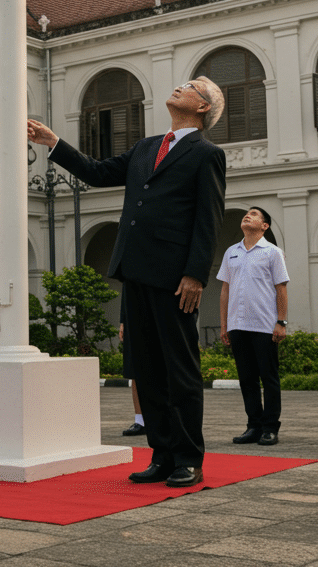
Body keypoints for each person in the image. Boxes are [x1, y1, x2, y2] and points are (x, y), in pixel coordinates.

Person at [27, 77, 226, 488]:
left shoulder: (206, 154)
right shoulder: (147, 146)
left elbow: (208, 218)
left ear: (203, 107)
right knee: (146, 370)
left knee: (179, 370)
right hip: (134, 269)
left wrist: (194, 274)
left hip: (174, 278)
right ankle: (162, 454)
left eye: (189, 86)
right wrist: (54, 143)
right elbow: (98, 173)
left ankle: (188, 458)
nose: (178, 87)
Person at [218, 207, 289, 446]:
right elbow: (225, 289)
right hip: (238, 325)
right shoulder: (231, 252)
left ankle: (270, 427)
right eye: (246, 213)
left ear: (265, 226)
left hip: (264, 325)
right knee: (247, 379)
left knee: (268, 378)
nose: (248, 215)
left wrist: (281, 321)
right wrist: (225, 324)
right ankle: (253, 425)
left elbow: (281, 288)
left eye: (255, 214)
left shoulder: (272, 252)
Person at [118, 317, 145, 437]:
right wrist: (124, 321)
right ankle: (140, 421)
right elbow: (127, 297)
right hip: (135, 318)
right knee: (135, 369)